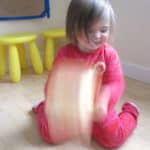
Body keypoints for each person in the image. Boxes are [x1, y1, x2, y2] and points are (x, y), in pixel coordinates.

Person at [32, 0, 139, 148]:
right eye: (89, 30)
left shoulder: (109, 54)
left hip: (100, 111)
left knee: (114, 138)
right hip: (72, 111)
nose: (97, 36)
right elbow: (52, 85)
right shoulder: (64, 54)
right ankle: (43, 108)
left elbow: (116, 82)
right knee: (49, 134)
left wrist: (103, 100)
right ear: (74, 29)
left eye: (103, 30)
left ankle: (131, 112)